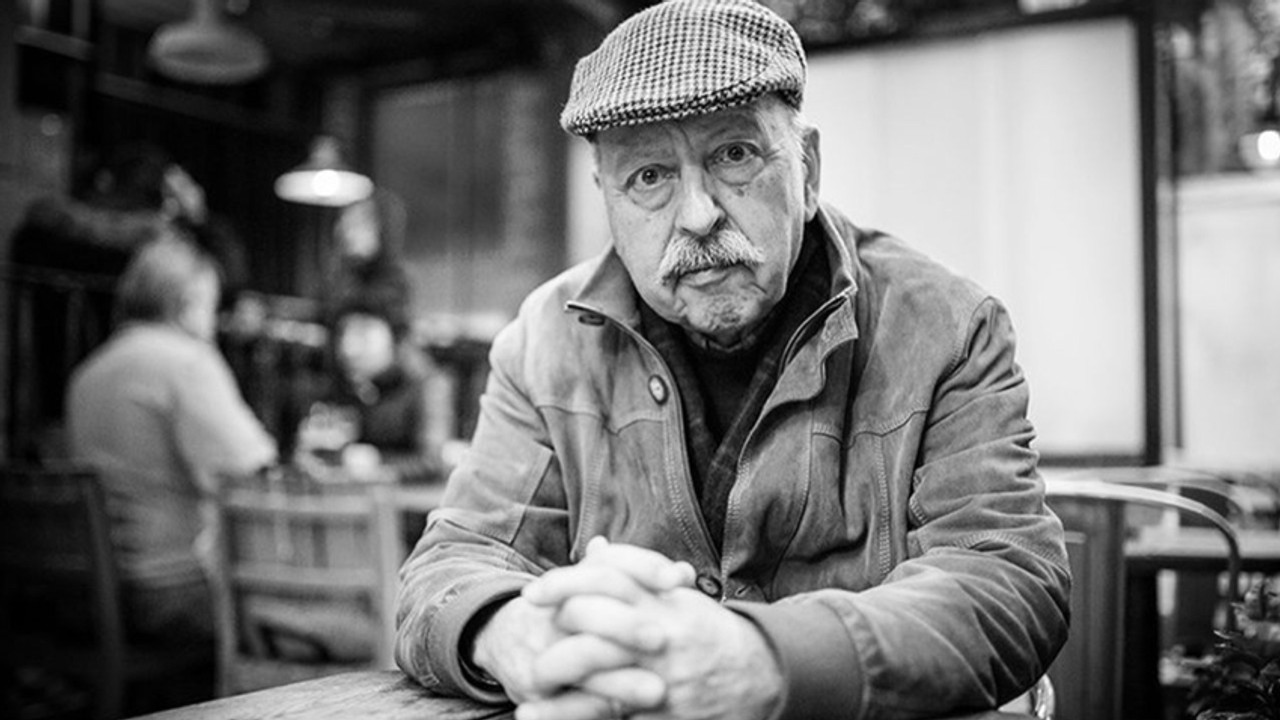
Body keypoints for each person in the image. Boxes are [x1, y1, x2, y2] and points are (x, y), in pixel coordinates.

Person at [395, 1, 1071, 719]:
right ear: (606, 201)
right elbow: (452, 563)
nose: (697, 215)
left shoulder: (948, 327)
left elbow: (1006, 580)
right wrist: (511, 632)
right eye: (648, 176)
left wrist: (766, 662)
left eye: (735, 155)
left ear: (807, 170)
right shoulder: (545, 340)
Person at [66, 231, 277, 644]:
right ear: (189, 302)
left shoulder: (87, 372)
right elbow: (251, 465)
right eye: (212, 305)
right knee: (329, 614)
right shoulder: (187, 362)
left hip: (87, 594)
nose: (213, 321)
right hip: (168, 592)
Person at [295, 293, 450, 486]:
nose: (348, 348)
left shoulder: (425, 385)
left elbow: (432, 463)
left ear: (394, 338)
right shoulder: (340, 382)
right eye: (343, 334)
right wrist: (308, 453)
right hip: (343, 499)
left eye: (363, 335)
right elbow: (316, 453)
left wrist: (377, 464)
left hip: (403, 501)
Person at [326, 189, 414, 324]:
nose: (346, 233)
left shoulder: (394, 284)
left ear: (383, 229)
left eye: (357, 224)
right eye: (345, 223)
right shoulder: (338, 276)